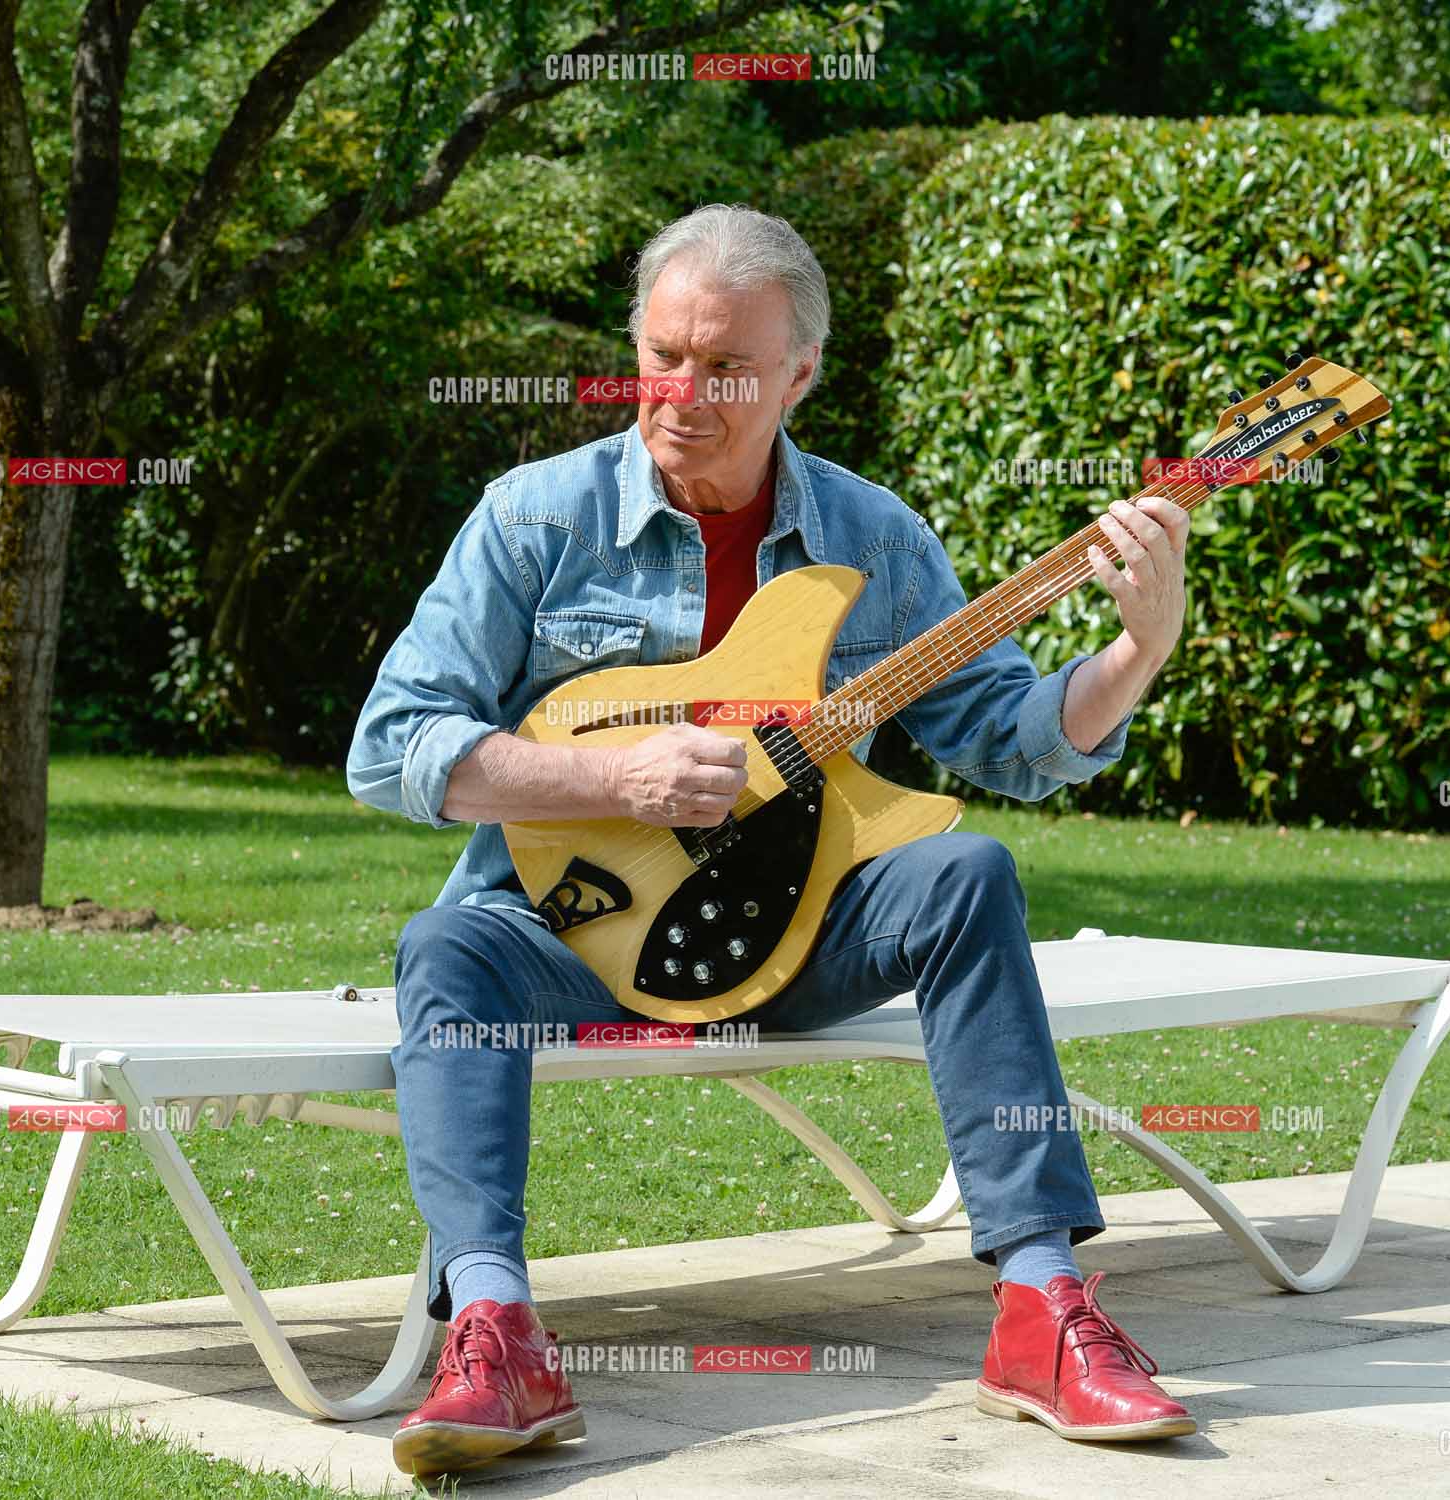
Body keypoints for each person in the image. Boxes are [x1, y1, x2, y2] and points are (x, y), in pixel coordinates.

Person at [347, 204, 1194, 1477]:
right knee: (444, 948)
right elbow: (390, 744)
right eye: (664, 356)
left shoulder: (876, 539)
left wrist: (1136, 653)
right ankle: (493, 1332)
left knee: (965, 869)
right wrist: (610, 777)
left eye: (728, 368)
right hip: (574, 931)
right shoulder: (534, 520)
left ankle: (1042, 1308)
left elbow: (1011, 741)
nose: (685, 394)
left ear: (799, 374)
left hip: (802, 935)